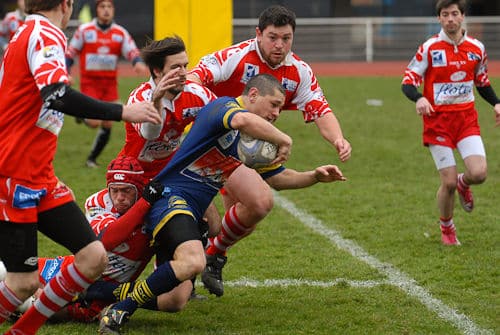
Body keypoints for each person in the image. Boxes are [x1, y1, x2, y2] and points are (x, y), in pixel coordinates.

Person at [0, 0, 161, 333]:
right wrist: (123, 111)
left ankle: (21, 331)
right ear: (66, 4)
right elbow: (56, 94)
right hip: (16, 177)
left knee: (93, 258)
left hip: (38, 177)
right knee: (22, 283)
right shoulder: (44, 32)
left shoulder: (29, 31)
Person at [97, 73, 293, 334]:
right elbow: (243, 118)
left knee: (175, 301)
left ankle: (104, 292)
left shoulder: (245, 140)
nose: (277, 113)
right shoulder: (224, 107)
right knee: (194, 261)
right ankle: (121, 309)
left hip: (191, 208)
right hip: (170, 197)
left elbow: (278, 177)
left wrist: (316, 176)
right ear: (253, 95)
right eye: (274, 104)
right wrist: (284, 138)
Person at [188, 4, 352, 297]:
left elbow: (319, 107)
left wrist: (338, 139)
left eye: (286, 38)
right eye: (273, 37)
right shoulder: (236, 56)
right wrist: (213, 113)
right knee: (243, 207)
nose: (280, 45)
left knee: (244, 215)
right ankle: (197, 264)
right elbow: (195, 77)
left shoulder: (299, 71)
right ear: (258, 34)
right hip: (210, 142)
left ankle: (210, 256)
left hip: (250, 146)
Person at [27, 156, 195, 323]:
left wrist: (195, 231)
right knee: (18, 270)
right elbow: (107, 240)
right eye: (114, 190)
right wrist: (143, 203)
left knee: (44, 307)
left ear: (138, 188)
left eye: (126, 190)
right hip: (73, 270)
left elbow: (175, 295)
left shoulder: (156, 211)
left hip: (101, 294)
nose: (119, 197)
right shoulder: (98, 203)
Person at [401, 0, 500, 245]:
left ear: (462, 16)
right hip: (437, 123)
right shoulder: (429, 48)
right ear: (439, 19)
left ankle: (463, 183)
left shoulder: (477, 48)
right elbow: (407, 81)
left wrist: (497, 103)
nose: (450, 19)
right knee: (447, 182)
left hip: (466, 121)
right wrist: (420, 97)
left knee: (479, 173)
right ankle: (447, 227)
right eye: (445, 15)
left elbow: (482, 82)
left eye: (454, 14)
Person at [66, 0, 149, 168]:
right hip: (90, 84)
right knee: (94, 122)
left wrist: (137, 62)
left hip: (109, 85)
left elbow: (132, 50)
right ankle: (79, 113)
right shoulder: (85, 31)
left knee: (109, 121)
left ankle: (91, 159)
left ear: (113, 10)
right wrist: (66, 72)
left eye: (109, 7)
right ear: (97, 10)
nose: (105, 10)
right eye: (102, 7)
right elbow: (70, 52)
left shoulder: (120, 33)